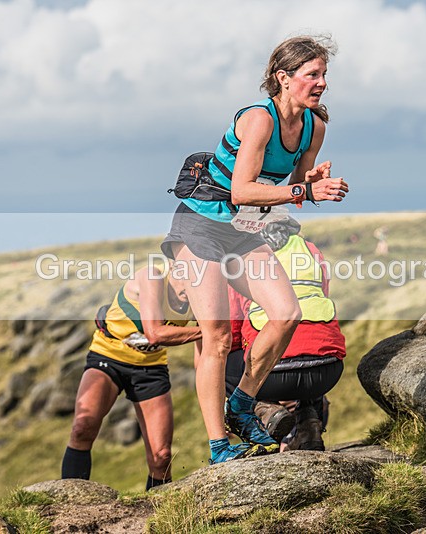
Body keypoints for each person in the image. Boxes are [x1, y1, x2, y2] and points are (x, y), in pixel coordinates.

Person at [161, 35, 349, 464]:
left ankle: (243, 404)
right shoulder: (258, 119)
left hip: (244, 232)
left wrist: (311, 183)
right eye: (312, 75)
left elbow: (292, 188)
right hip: (199, 227)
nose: (321, 83)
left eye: (324, 75)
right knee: (218, 335)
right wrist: (306, 189)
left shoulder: (314, 126)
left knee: (285, 313)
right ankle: (218, 446)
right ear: (283, 78)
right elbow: (243, 190)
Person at [61, 263, 201, 491]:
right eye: (188, 280)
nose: (191, 289)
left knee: (162, 457)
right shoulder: (152, 276)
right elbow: (154, 333)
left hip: (150, 367)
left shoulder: (198, 295)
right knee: (82, 428)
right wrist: (208, 329)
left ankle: (160, 519)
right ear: (175, 267)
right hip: (108, 355)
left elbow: (205, 353)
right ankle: (67, 503)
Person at [226, 218, 346, 451]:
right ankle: (309, 424)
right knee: (311, 335)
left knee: (228, 359)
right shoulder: (309, 248)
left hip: (273, 378)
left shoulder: (240, 257)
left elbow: (232, 328)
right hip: (328, 370)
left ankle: (264, 408)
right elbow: (322, 293)